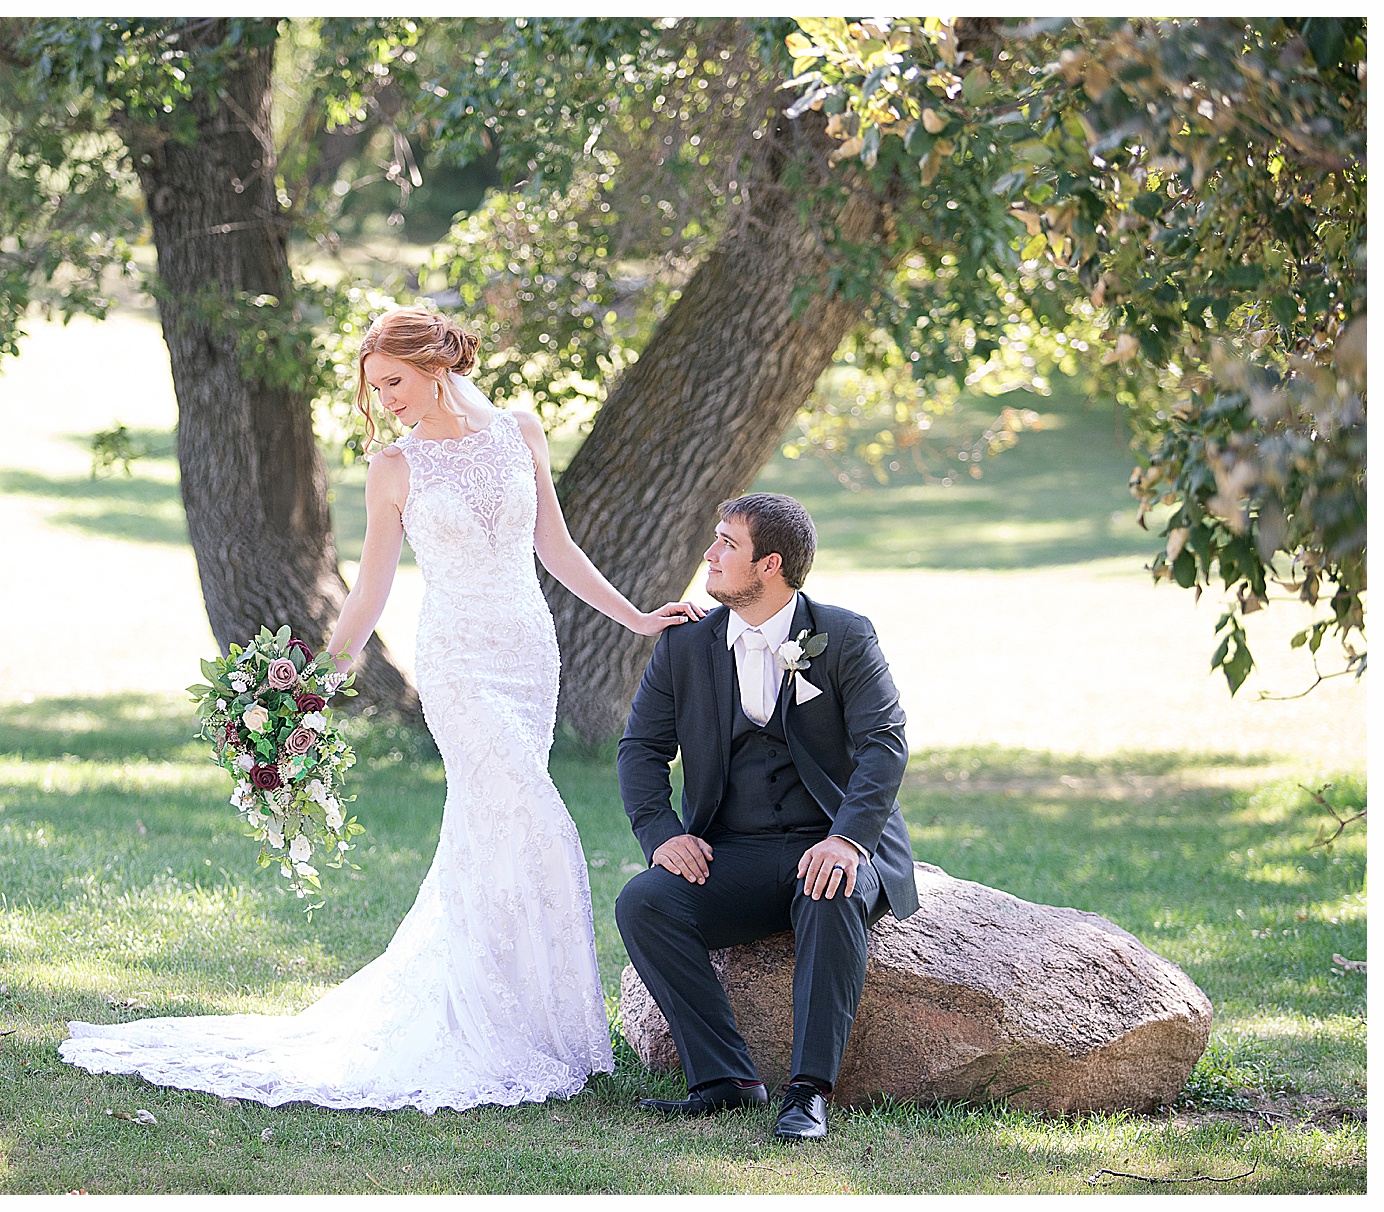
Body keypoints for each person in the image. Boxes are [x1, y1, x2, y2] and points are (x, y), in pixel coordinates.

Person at [60, 307, 701, 1112]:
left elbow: (556, 548)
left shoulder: (521, 432)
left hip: (528, 654)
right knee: (534, 817)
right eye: (377, 388)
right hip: (459, 662)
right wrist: (315, 688)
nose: (387, 399)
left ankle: (523, 1023)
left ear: (435, 361)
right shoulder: (395, 468)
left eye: (394, 382)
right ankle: (523, 1025)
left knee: (491, 834)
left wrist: (640, 618)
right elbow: (369, 591)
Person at [614, 493, 919, 1140]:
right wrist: (661, 833)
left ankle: (807, 1092)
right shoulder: (685, 647)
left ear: (770, 565)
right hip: (736, 850)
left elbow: (884, 745)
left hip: (832, 839)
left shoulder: (844, 636)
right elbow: (641, 749)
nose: (710, 553)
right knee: (645, 902)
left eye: (727, 543)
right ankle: (724, 1078)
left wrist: (848, 842)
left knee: (829, 894)